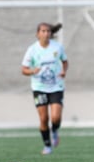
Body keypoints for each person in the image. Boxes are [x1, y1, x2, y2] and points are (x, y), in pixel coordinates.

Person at [21, 23, 68, 155]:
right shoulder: (32, 50)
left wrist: (64, 71)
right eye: (43, 31)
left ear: (51, 33)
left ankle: (55, 130)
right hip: (39, 87)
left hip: (56, 86)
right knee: (43, 119)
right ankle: (47, 145)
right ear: (38, 34)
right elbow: (23, 69)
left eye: (48, 31)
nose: (46, 33)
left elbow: (65, 61)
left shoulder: (57, 47)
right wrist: (32, 71)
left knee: (56, 117)